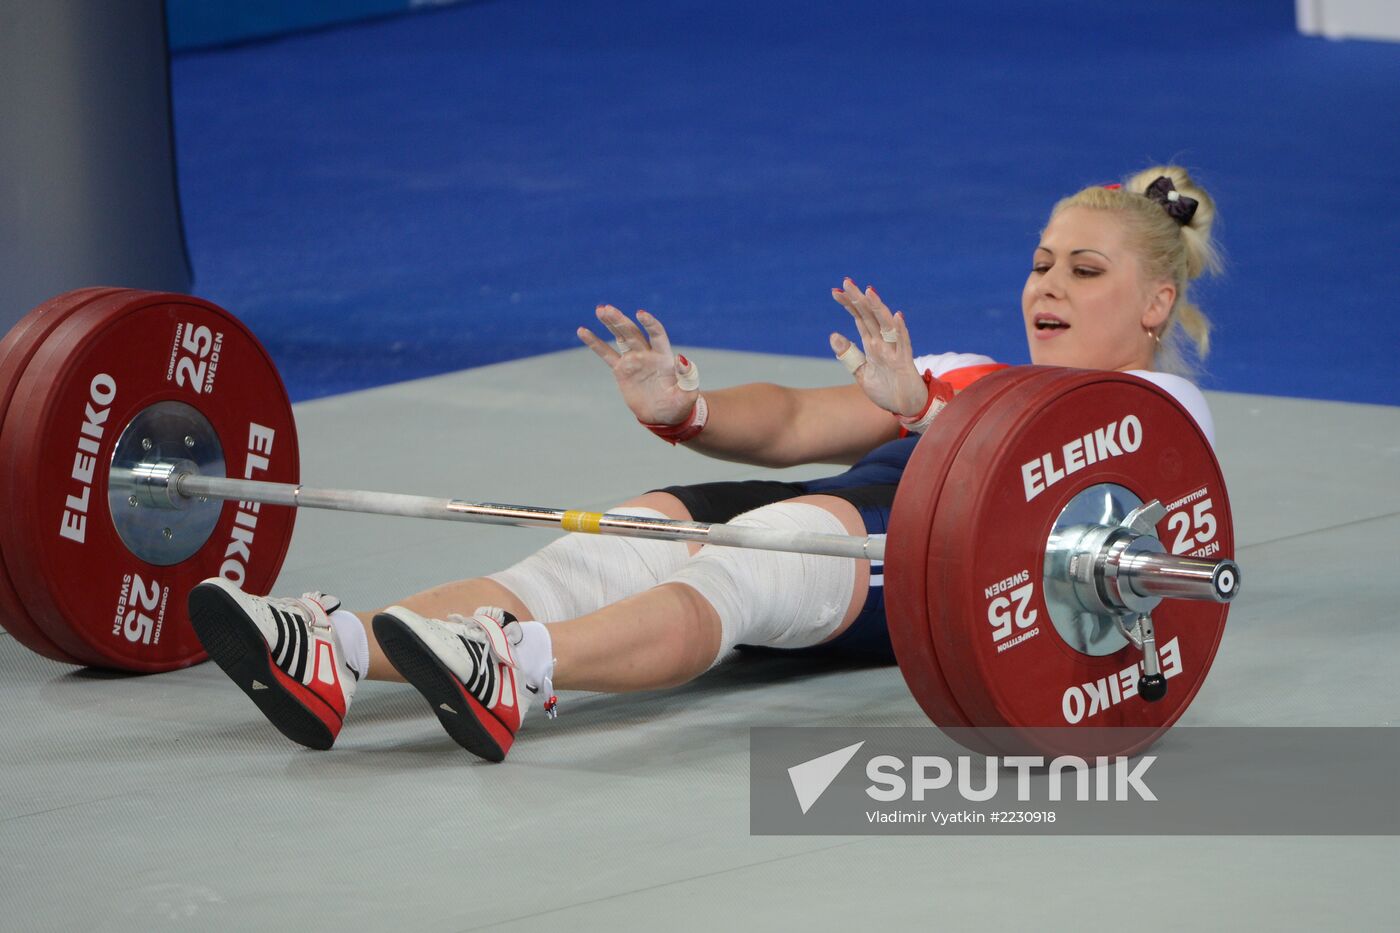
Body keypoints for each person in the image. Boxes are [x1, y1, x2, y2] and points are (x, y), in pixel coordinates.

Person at [187, 165, 1221, 761]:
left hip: (916, 570)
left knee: (765, 547)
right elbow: (787, 426)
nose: (1047, 285)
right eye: (1041, 261)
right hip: (844, 508)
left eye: (1084, 271)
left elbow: (1055, 469)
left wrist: (932, 410)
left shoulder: (1162, 421)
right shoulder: (964, 371)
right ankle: (332, 650)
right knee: (628, 532)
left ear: (1152, 305)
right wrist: (687, 410)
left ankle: (520, 667)